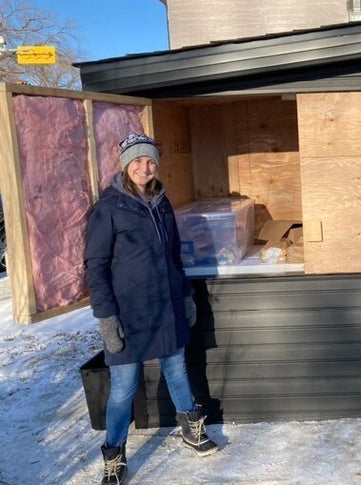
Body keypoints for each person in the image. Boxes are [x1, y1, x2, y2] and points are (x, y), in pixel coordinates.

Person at [84, 132, 218, 485]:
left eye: (151, 161)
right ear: (126, 166)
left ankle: (191, 429)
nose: (145, 167)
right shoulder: (108, 208)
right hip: (129, 314)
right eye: (138, 161)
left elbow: (174, 256)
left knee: (178, 372)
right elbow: (95, 267)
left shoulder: (162, 202)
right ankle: (114, 454)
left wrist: (185, 294)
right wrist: (106, 318)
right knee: (124, 388)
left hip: (166, 306)